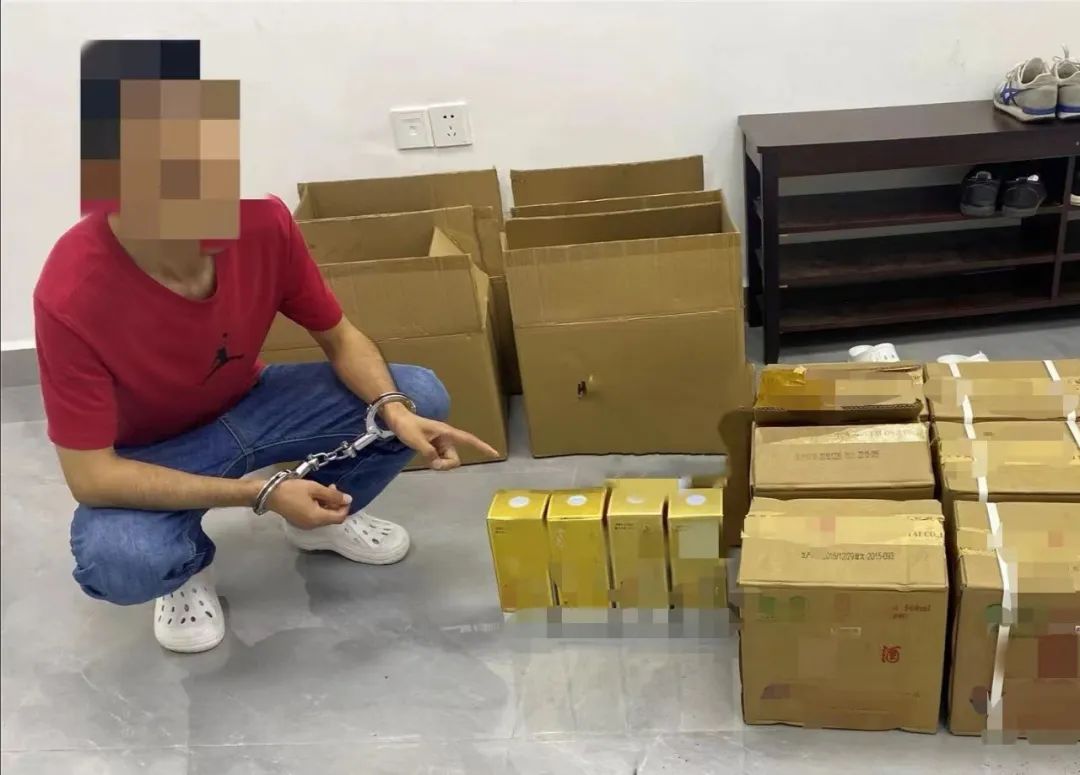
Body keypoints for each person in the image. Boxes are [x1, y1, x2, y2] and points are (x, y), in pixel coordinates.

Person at [34, 39, 498, 653]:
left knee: (417, 394)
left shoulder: (262, 224)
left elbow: (340, 336)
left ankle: (324, 516)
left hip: (252, 404)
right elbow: (92, 476)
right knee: (122, 561)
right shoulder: (72, 294)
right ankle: (184, 566)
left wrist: (392, 409)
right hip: (152, 450)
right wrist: (262, 493)